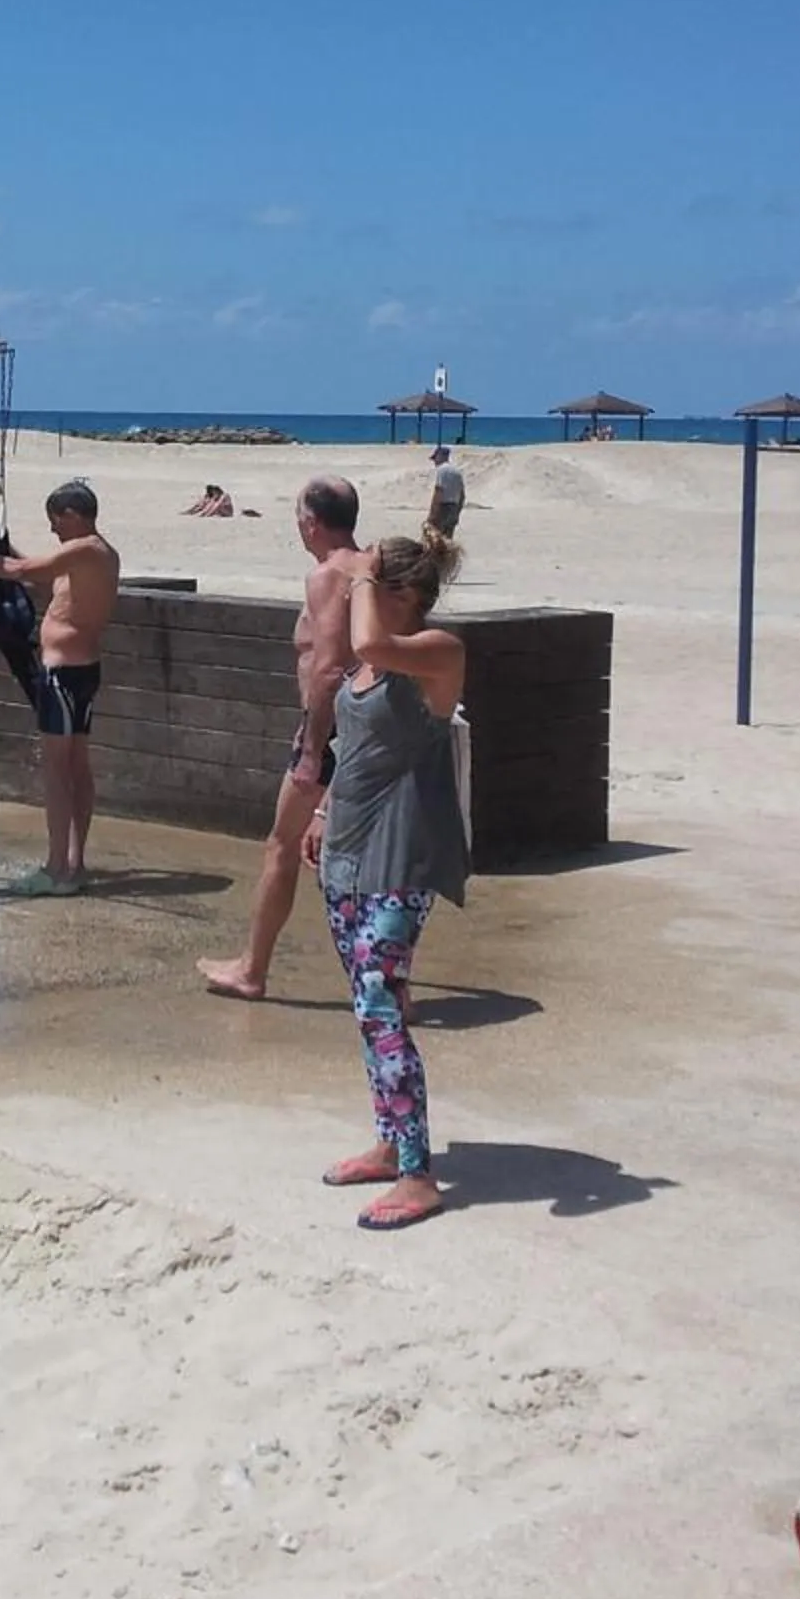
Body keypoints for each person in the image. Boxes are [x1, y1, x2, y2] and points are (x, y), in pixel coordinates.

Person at [301, 530, 469, 1231]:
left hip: (400, 859)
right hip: (346, 853)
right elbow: (357, 746)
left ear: (403, 597)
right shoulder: (370, 671)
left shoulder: (437, 653)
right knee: (369, 1008)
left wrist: (363, 578)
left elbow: (368, 644)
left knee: (381, 1005)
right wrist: (322, 806)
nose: (349, 597)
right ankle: (389, 1139)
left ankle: (418, 1173)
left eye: (364, 589)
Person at [198, 477, 374, 1000]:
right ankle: (391, 980)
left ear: (311, 522)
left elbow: (327, 669)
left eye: (298, 517)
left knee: (282, 846)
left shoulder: (327, 576)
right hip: (371, 727)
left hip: (335, 729)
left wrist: (313, 750)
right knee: (365, 857)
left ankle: (253, 969)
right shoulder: (372, 568)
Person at [0, 483, 119, 895]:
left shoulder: (86, 549)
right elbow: (35, 569)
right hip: (80, 670)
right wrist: (3, 548)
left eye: (55, 521)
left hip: (63, 674)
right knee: (76, 767)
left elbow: (24, 573)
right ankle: (74, 863)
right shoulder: (92, 557)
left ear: (72, 514)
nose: (53, 529)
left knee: (58, 772)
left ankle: (56, 870)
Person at [425, 446, 465, 538]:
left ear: (441, 456)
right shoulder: (457, 472)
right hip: (454, 507)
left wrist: (432, 514)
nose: (434, 462)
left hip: (443, 508)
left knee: (434, 538)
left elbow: (439, 491)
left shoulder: (441, 470)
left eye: (435, 458)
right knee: (448, 540)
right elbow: (462, 495)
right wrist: (457, 513)